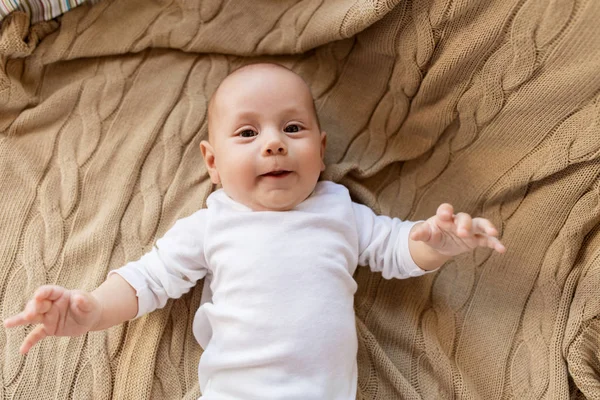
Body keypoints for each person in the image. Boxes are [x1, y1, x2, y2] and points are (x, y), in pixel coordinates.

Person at [4, 63, 506, 399]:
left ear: (322, 149)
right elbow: (147, 281)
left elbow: (396, 249)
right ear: (213, 162)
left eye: (293, 128)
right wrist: (88, 309)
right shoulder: (212, 223)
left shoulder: (339, 210)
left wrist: (434, 244)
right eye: (248, 132)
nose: (274, 144)